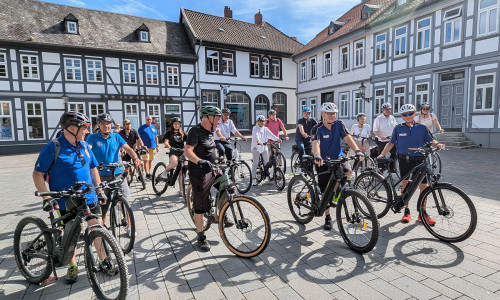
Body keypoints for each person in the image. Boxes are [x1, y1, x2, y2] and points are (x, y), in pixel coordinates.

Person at [32, 111, 107, 284]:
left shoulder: (85, 146)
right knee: (70, 234)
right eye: (85, 128)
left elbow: (93, 168)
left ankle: (104, 260)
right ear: (72, 128)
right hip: (65, 199)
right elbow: (38, 174)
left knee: (97, 228)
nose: (88, 131)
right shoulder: (53, 147)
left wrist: (100, 190)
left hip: (88, 196)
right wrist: (47, 198)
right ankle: (72, 266)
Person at [377, 104, 445, 224]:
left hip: (420, 160)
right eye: (405, 114)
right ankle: (406, 210)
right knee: (405, 186)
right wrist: (382, 155)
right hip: (404, 160)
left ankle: (422, 213)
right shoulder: (398, 128)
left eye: (410, 114)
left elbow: (430, 140)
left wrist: (438, 144)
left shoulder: (422, 128)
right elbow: (391, 143)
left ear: (415, 114)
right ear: (402, 117)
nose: (408, 116)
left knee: (424, 187)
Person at [184, 106, 233, 252]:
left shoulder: (211, 132)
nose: (219, 122)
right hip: (199, 172)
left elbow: (211, 150)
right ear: (209, 118)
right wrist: (199, 161)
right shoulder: (195, 131)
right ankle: (201, 236)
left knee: (228, 186)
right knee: (200, 205)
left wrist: (219, 159)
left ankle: (222, 213)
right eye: (217, 118)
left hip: (212, 168)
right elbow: (187, 151)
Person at [86, 113, 143, 236]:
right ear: (99, 125)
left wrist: (136, 158)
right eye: (103, 124)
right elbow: (87, 151)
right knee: (103, 204)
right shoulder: (92, 138)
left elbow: (128, 149)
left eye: (108, 124)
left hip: (117, 173)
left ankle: (130, 225)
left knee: (126, 200)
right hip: (100, 175)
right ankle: (102, 227)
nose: (106, 126)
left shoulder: (116, 137)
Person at [311, 103, 364, 230]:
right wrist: (317, 155)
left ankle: (337, 192)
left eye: (334, 113)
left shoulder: (339, 124)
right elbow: (316, 143)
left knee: (348, 171)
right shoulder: (317, 128)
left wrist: (357, 151)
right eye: (329, 113)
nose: (332, 115)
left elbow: (348, 138)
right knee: (325, 192)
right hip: (323, 161)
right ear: (322, 114)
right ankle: (327, 217)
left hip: (338, 157)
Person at [251, 115, 281, 185]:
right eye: (260, 121)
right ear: (257, 122)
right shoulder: (255, 128)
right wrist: (258, 141)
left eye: (263, 121)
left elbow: (271, 135)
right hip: (256, 147)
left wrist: (277, 139)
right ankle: (254, 179)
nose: (262, 123)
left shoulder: (265, 129)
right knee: (255, 162)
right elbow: (256, 135)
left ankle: (268, 175)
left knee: (266, 162)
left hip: (264, 146)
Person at [163, 117, 187, 197]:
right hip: (173, 151)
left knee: (182, 171)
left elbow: (190, 141)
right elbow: (166, 142)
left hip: (182, 152)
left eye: (178, 124)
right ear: (172, 125)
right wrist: (168, 146)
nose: (177, 125)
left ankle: (181, 190)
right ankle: (165, 171)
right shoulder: (168, 133)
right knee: (174, 163)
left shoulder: (183, 133)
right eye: (175, 124)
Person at [373, 102, 398, 171]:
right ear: (382, 110)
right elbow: (375, 130)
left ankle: (391, 167)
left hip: (391, 139)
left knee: (395, 152)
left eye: (389, 109)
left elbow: (395, 127)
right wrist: (381, 136)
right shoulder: (379, 118)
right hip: (382, 140)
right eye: (386, 109)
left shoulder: (392, 118)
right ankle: (380, 169)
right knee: (382, 155)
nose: (388, 111)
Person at [138, 116, 159, 180]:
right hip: (145, 147)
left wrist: (157, 146)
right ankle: (147, 173)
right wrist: (139, 145)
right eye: (147, 119)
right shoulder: (142, 127)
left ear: (151, 120)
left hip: (152, 146)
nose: (149, 120)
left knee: (150, 160)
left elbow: (156, 137)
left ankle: (149, 173)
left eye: (150, 119)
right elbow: (138, 137)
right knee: (146, 160)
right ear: (145, 120)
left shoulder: (153, 127)